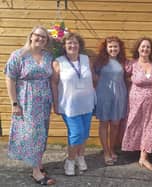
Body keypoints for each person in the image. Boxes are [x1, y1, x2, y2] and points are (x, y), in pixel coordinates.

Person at [4, 26, 55, 185]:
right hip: (27, 100)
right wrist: (14, 103)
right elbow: (10, 79)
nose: (40, 39)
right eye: (38, 36)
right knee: (33, 134)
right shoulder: (19, 55)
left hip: (44, 101)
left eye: (44, 37)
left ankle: (38, 163)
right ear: (31, 36)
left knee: (42, 133)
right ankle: (36, 173)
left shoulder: (48, 56)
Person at [51, 32, 96, 176]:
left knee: (84, 133)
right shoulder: (58, 62)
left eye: (75, 42)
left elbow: (92, 77)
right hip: (69, 105)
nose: (72, 45)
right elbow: (53, 83)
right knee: (76, 133)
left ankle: (80, 158)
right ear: (64, 46)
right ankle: (70, 161)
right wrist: (55, 103)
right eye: (69, 43)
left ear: (79, 45)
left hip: (87, 103)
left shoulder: (86, 59)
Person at [121, 37, 152, 171]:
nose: (145, 49)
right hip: (136, 101)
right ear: (138, 48)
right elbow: (124, 77)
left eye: (148, 47)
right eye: (143, 46)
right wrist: (133, 81)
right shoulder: (132, 64)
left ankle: (143, 156)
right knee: (136, 124)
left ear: (151, 50)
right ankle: (136, 149)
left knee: (150, 126)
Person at [94, 36, 127, 165]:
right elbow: (94, 76)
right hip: (104, 94)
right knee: (104, 123)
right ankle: (106, 151)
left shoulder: (123, 61)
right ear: (106, 48)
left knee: (115, 123)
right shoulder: (100, 62)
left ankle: (112, 148)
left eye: (116, 46)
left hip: (119, 95)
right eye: (111, 46)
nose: (113, 49)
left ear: (119, 48)